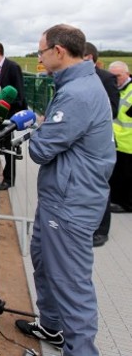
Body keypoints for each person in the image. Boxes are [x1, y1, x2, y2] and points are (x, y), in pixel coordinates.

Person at [15, 24, 115, 356]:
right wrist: (48, 127)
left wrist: (39, 129)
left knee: (71, 283)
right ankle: (53, 327)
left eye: (41, 52)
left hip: (70, 203)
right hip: (60, 197)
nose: (39, 59)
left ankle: (81, 350)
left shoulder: (78, 92)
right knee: (44, 261)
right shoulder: (75, 85)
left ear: (59, 51)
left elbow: (41, 150)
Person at [83, 42, 121, 247]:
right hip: (84, 145)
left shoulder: (106, 78)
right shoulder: (79, 80)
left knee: (100, 188)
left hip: (100, 144)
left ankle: (102, 231)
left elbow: (113, 110)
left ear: (89, 58)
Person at [0, 40, 25, 190]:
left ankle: (8, 179)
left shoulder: (13, 67)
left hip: (8, 117)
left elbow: (19, 94)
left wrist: (5, 108)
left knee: (8, 149)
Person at [107, 61, 132, 213]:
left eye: (119, 76)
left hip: (128, 142)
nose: (116, 79)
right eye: (113, 76)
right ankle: (117, 200)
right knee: (118, 175)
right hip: (116, 142)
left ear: (127, 75)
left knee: (128, 177)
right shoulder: (114, 89)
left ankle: (127, 204)